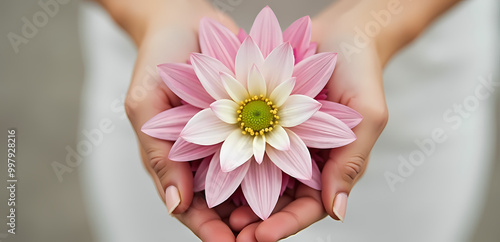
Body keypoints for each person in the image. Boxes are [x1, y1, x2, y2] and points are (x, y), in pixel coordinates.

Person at [79, 0, 498, 241]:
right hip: (167, 69)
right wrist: (149, 13)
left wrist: (379, 28)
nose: (256, 119)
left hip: (404, 62)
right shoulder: (188, 105)